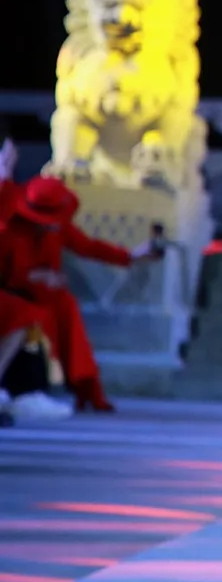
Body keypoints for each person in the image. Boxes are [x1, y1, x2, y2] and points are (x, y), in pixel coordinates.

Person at [0, 174, 158, 412]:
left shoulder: (58, 228)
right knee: (28, 316)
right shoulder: (9, 229)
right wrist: (35, 276)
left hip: (43, 296)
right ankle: (26, 388)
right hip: (10, 294)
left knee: (66, 307)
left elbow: (87, 246)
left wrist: (130, 256)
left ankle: (84, 388)